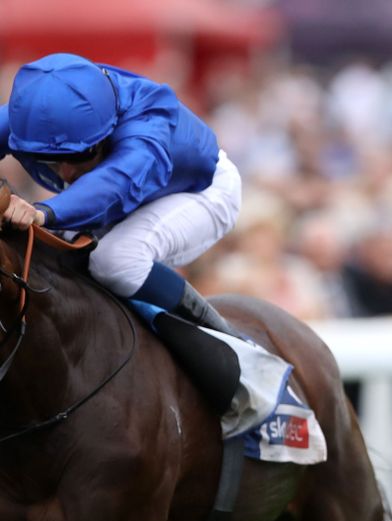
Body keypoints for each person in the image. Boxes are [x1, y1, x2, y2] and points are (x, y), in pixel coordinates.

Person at [0, 53, 240, 336]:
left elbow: (113, 185)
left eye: (78, 156)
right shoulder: (30, 118)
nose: (64, 174)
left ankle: (227, 340)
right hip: (120, 196)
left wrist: (44, 211)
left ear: (106, 132)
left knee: (115, 261)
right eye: (48, 159)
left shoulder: (145, 127)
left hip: (200, 191)